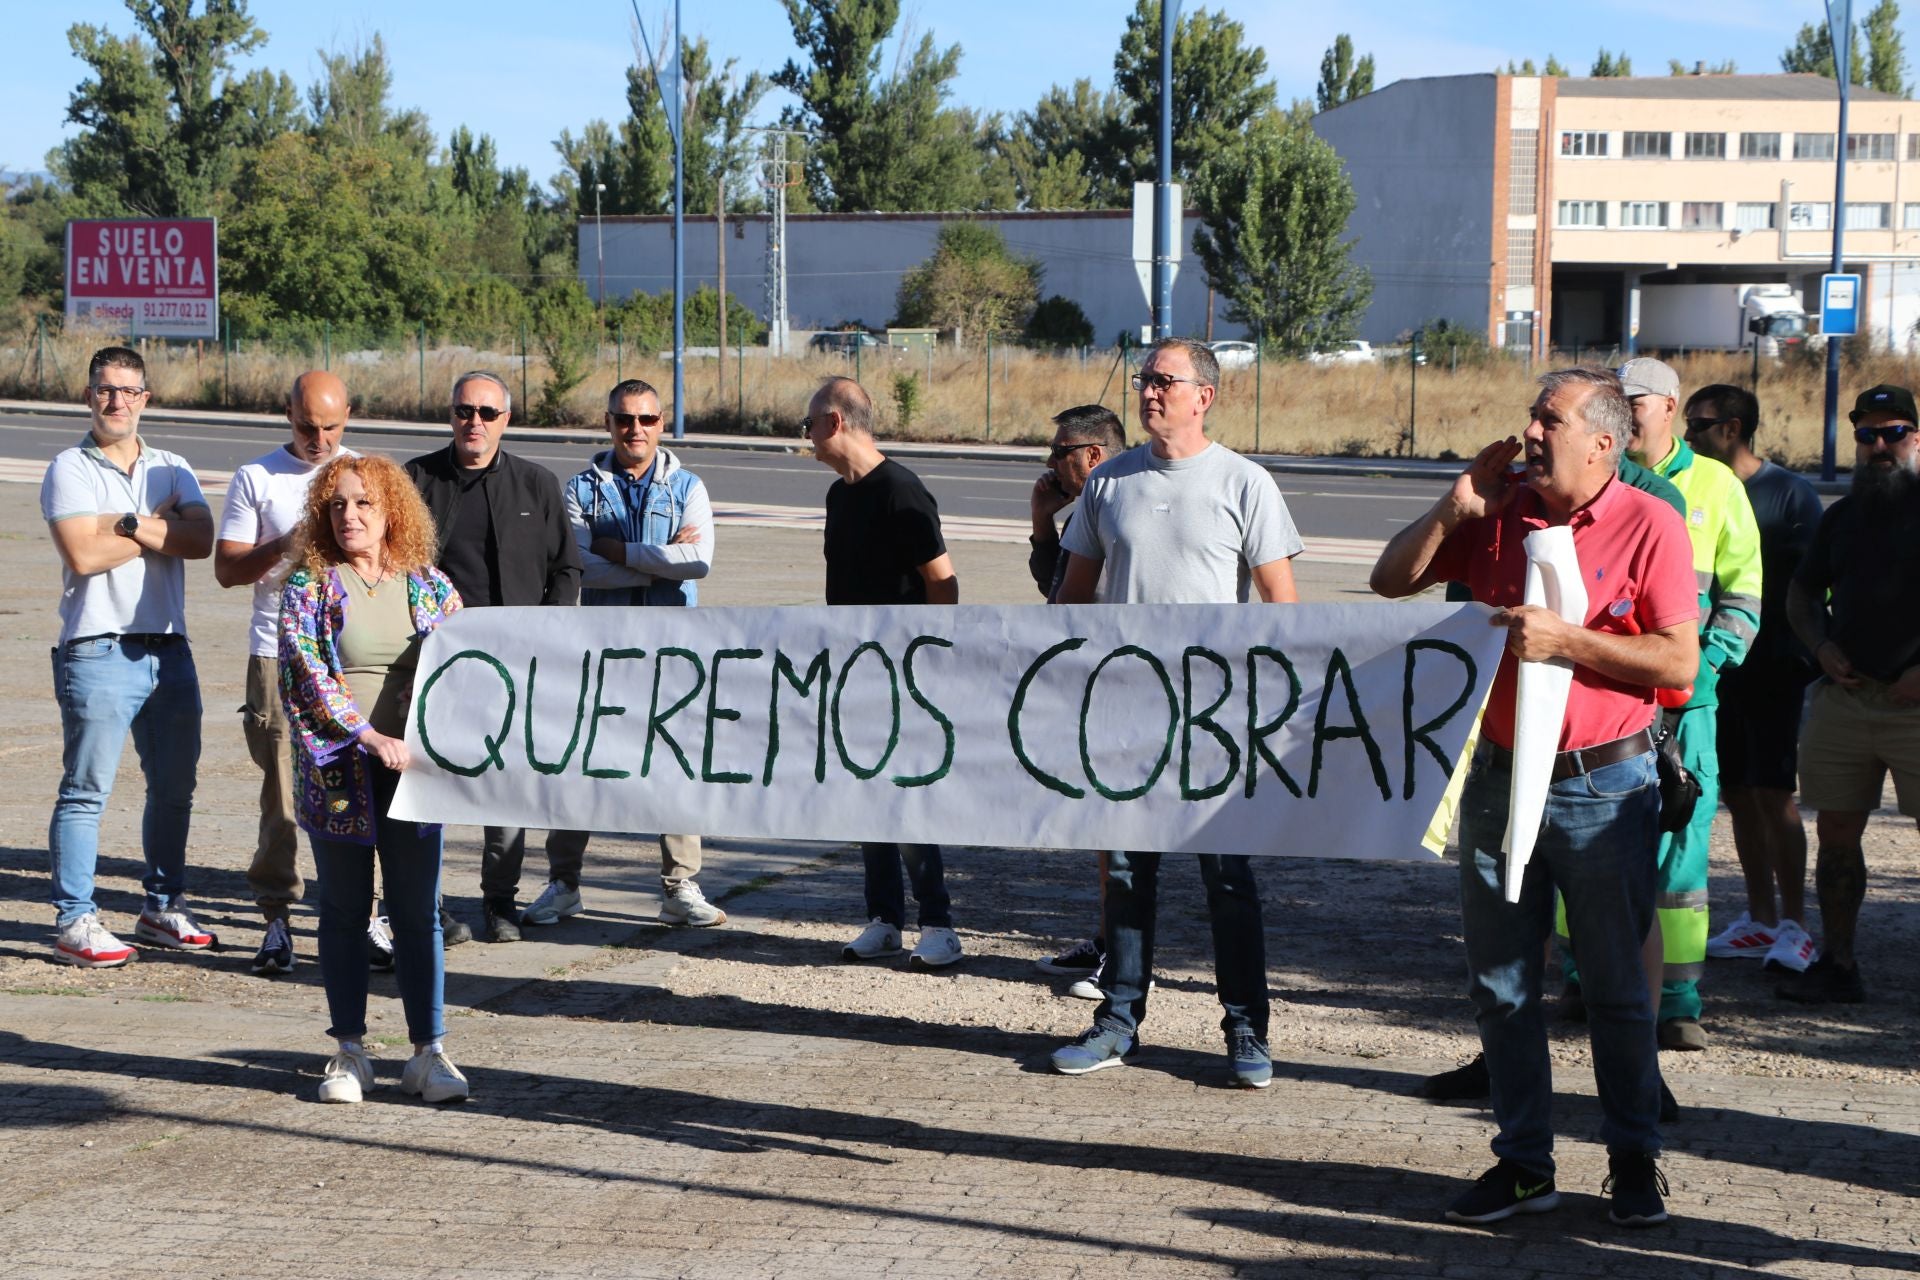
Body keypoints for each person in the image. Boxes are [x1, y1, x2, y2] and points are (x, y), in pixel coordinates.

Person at [1371, 366, 1698, 1228]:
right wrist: (1453, 507)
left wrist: (1569, 642)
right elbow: (1388, 581)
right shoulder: (1501, 509)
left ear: (1603, 441)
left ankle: (1633, 1158)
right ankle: (1523, 1164)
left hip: (1605, 784)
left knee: (1620, 989)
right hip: (1499, 778)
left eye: (1547, 419)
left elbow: (1677, 665)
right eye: (1532, 415)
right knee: (1502, 985)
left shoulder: (1650, 522)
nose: (1530, 430)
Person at [1047, 337, 1303, 1089]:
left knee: (1227, 879)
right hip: (1124, 717)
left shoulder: (1245, 484)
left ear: (1205, 396)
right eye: (1144, 380)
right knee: (1125, 872)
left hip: (1213, 722)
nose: (1150, 392)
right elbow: (1071, 605)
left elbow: (1282, 613)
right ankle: (1118, 1018)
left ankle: (1247, 1029)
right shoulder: (1108, 485)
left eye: (1165, 381)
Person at [1556, 357, 1761, 1055]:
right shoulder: (1592, 482)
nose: (1625, 412)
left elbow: (1743, 594)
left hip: (1684, 708)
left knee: (1678, 856)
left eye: (1634, 402)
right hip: (1605, 700)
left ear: (1668, 407)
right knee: (1583, 844)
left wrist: (1705, 669)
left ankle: (1676, 1000)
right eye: (1614, 400)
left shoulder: (1715, 485)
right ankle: (1584, 976)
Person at [280, 454, 469, 1104]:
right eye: (337, 505)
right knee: (342, 910)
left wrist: (431, 742)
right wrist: (366, 736)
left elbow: (464, 672)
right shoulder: (310, 585)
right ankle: (350, 1052)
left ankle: (429, 1053)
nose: (350, 516)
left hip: (415, 772)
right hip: (340, 769)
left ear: (393, 512)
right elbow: (303, 672)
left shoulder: (431, 588)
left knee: (418, 912)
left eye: (363, 504)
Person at [41, 346, 215, 968]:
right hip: (98, 648)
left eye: (128, 391)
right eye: (105, 390)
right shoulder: (69, 468)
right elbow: (81, 557)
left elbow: (200, 540)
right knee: (86, 790)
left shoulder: (173, 465)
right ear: (89, 395)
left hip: (168, 650)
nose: (117, 401)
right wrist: (147, 525)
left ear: (146, 397)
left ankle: (162, 906)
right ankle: (75, 919)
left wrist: (120, 527)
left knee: (175, 789)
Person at [405, 370, 581, 943]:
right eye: (463, 411)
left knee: (505, 789)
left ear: (506, 419)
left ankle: (498, 903)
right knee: (427, 786)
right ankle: (423, 905)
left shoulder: (536, 484)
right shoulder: (416, 481)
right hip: (437, 665)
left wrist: (550, 632)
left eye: (486, 413)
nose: (473, 422)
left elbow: (567, 567)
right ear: (450, 415)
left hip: (516, 666)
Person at [802, 375, 964, 970]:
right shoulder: (839, 495)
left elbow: (942, 581)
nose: (807, 436)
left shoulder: (901, 490)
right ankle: (884, 918)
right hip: (854, 672)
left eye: (809, 424)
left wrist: (928, 659)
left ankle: (939, 923)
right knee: (868, 796)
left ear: (836, 422)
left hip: (904, 673)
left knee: (907, 799)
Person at [553, 379, 724, 928]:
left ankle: (680, 886)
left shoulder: (688, 486)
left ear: (662, 423)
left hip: (673, 646)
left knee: (675, 763)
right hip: (604, 644)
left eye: (647, 420)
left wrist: (621, 551)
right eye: (625, 419)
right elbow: (581, 566)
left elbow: (697, 561)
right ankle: (563, 883)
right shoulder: (580, 489)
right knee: (581, 760)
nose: (636, 430)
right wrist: (659, 557)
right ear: (608, 423)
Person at [1778, 383, 1920, 1005]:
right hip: (1847, 700)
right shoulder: (1844, 515)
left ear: (1918, 438)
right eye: (1868, 435)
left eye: (1895, 433)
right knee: (1836, 834)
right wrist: (1822, 649)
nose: (1880, 445)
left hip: (1917, 705)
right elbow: (1802, 595)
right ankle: (1838, 965)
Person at [215, 371, 357, 975]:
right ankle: (277, 918)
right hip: (276, 652)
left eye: (330, 427)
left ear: (348, 416)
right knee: (281, 791)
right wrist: (286, 545)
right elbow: (227, 570)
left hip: (349, 651)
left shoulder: (365, 474)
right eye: (306, 426)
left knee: (356, 789)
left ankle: (363, 916)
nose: (318, 439)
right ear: (287, 415)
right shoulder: (257, 477)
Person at [1685, 383, 1824, 974]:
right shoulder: (1698, 487)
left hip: (1773, 666)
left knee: (1774, 793)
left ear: (1732, 428)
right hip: (1720, 668)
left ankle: (1795, 923)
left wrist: (1813, 654)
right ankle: (1760, 919)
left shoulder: (1789, 494)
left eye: (1699, 424)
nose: (1688, 434)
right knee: (1738, 794)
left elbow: (1813, 583)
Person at [1024, 405, 1127, 995]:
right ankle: (1110, 937)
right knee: (1101, 823)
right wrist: (1042, 522)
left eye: (1059, 452)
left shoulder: (1118, 503)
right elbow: (1058, 589)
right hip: (1087, 679)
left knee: (1123, 826)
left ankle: (1127, 956)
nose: (1050, 464)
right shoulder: (1085, 511)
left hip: (1123, 678)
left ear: (1092, 454)